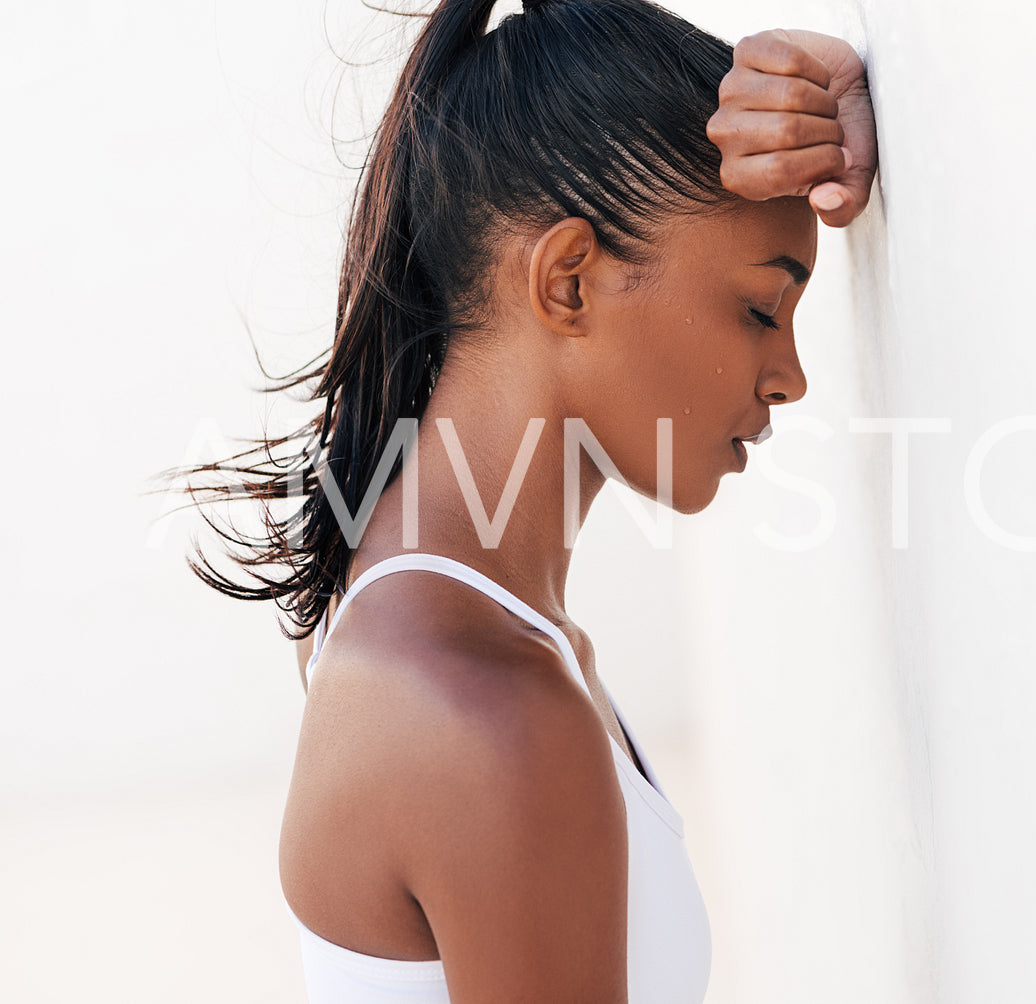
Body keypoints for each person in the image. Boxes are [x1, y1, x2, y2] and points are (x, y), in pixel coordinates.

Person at [175, 0, 876, 1000]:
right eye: (761, 308)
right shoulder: (489, 709)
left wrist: (849, 83)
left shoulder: (403, 597)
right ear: (568, 280)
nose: (789, 375)